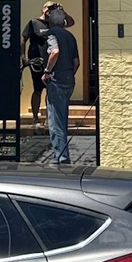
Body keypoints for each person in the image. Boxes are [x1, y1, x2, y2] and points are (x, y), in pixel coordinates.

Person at [43, 16, 80, 167]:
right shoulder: (70, 36)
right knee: (62, 120)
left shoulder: (52, 33)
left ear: (50, 22)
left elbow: (55, 51)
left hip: (56, 80)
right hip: (69, 81)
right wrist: (69, 74)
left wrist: (47, 71)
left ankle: (61, 158)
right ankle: (62, 155)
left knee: (55, 122)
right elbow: (76, 62)